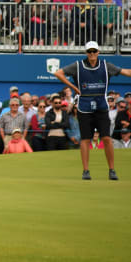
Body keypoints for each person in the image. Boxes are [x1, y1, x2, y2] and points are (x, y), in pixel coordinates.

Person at [54, 40, 131, 180]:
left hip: (101, 107)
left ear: (98, 52)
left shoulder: (106, 65)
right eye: (89, 51)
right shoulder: (78, 66)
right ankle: (85, 171)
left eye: (94, 51)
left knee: (107, 138)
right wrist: (74, 88)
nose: (92, 54)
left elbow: (125, 71)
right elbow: (58, 73)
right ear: (86, 53)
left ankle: (112, 170)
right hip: (84, 108)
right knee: (85, 139)